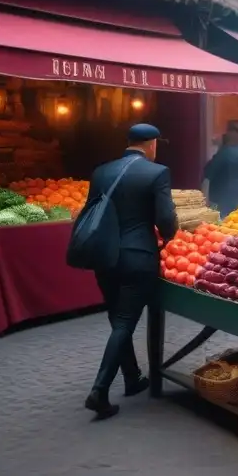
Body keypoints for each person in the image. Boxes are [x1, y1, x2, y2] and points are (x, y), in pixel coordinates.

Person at [83, 124, 178, 419]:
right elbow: (166, 221)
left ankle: (133, 377)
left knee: (117, 319)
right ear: (151, 145)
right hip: (138, 257)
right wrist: (169, 234)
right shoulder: (156, 172)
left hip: (104, 256)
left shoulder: (101, 172)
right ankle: (99, 390)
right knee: (125, 322)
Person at [203, 129, 238, 218]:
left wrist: (205, 200)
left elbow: (208, 175)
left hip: (224, 198)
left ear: (225, 140)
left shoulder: (223, 153)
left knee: (225, 222)